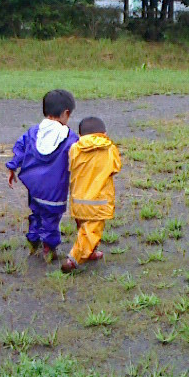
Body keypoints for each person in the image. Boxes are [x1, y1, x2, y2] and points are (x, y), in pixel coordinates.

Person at [7, 89, 79, 259]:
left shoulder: (33, 132)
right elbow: (79, 158)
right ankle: (49, 247)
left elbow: (20, 148)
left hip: (34, 187)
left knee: (36, 213)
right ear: (66, 113)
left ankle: (33, 238)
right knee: (51, 220)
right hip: (53, 190)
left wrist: (12, 167)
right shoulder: (70, 137)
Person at [61, 116, 121, 273]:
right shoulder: (110, 149)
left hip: (78, 200)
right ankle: (74, 259)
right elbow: (115, 168)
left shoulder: (74, 148)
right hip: (99, 202)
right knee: (92, 231)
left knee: (83, 228)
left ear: (81, 135)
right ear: (104, 133)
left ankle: (91, 252)